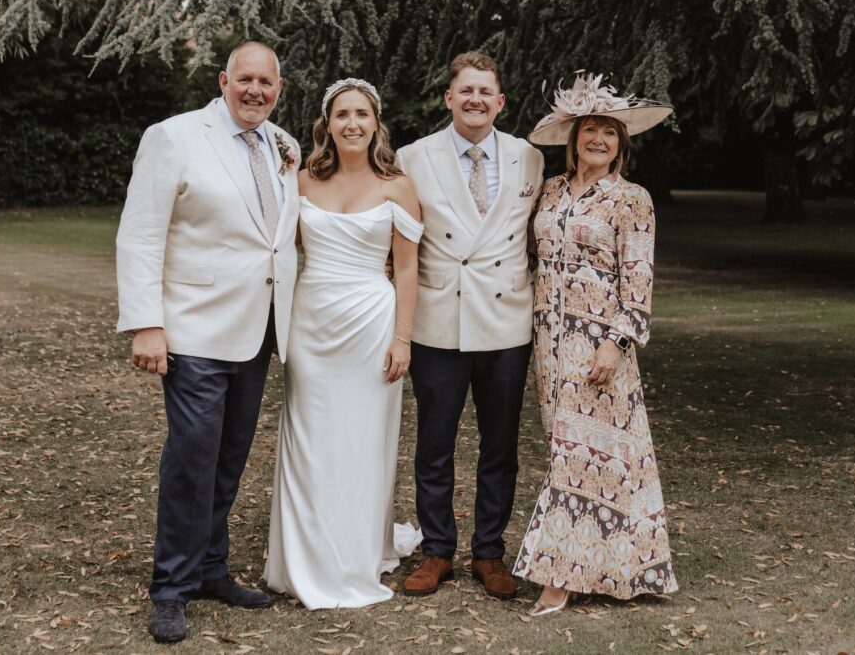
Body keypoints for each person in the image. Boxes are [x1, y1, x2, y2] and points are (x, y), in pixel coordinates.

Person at [115, 42, 300, 643]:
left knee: (228, 458)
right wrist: (147, 322)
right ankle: (170, 587)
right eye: (244, 79)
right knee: (192, 458)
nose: (255, 91)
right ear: (224, 80)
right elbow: (141, 233)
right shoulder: (173, 136)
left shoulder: (279, 145)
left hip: (258, 330)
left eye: (265, 83)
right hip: (194, 329)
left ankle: (210, 569)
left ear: (278, 87)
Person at [512, 71, 679, 615]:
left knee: (583, 455)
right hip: (549, 339)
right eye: (590, 130)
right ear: (574, 137)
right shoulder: (554, 190)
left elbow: (639, 277)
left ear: (621, 143)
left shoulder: (632, 199)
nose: (599, 140)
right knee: (574, 450)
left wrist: (616, 342)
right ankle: (617, 568)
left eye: (610, 132)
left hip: (598, 344)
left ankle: (559, 574)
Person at [263, 78, 424, 609]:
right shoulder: (301, 181)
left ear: (376, 122)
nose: (352, 123)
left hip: (372, 327)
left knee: (362, 442)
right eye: (341, 115)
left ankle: (354, 553)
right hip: (311, 325)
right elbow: (281, 248)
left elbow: (405, 269)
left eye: (361, 114)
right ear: (326, 125)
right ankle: (304, 557)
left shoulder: (397, 185)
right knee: (310, 440)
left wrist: (403, 339)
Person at [396, 52, 545, 599]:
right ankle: (437, 549)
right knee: (434, 443)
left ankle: (489, 551)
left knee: (499, 445)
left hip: (507, 322)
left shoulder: (530, 158)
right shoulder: (413, 157)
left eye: (486, 91)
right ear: (449, 98)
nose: (476, 99)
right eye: (466, 91)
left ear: (500, 102)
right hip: (440, 320)